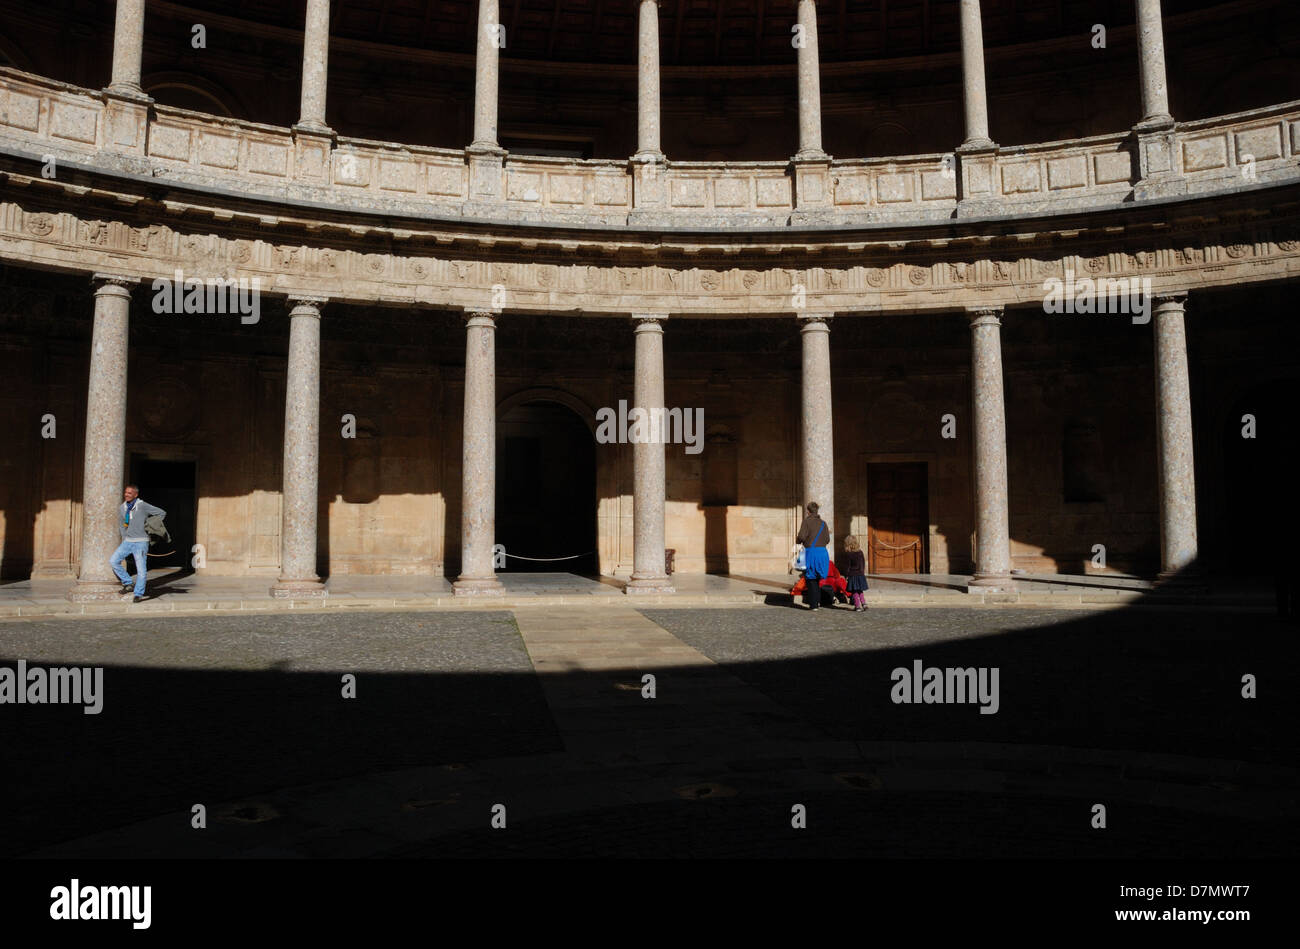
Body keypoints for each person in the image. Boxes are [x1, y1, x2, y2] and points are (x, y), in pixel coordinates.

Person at [111, 484, 165, 603]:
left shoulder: (142, 505)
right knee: (114, 561)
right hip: (127, 542)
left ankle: (138, 593)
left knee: (141, 570)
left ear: (136, 494)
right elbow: (121, 524)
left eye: (129, 493)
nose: (126, 495)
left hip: (141, 542)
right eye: (126, 492)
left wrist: (149, 526)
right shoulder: (122, 507)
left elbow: (161, 513)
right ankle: (128, 583)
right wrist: (124, 537)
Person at [796, 501, 830, 610]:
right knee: (818, 579)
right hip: (822, 553)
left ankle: (814, 604)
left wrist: (798, 541)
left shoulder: (806, 522)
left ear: (808, 511)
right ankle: (817, 602)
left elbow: (801, 537)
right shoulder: (823, 523)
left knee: (811, 579)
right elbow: (827, 539)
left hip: (811, 552)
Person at [841, 534, 868, 611]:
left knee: (855, 591)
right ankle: (864, 603)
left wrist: (846, 575)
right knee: (860, 590)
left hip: (852, 575)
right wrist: (862, 573)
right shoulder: (860, 552)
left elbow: (847, 566)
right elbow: (863, 563)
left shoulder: (849, 554)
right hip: (860, 574)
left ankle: (857, 606)